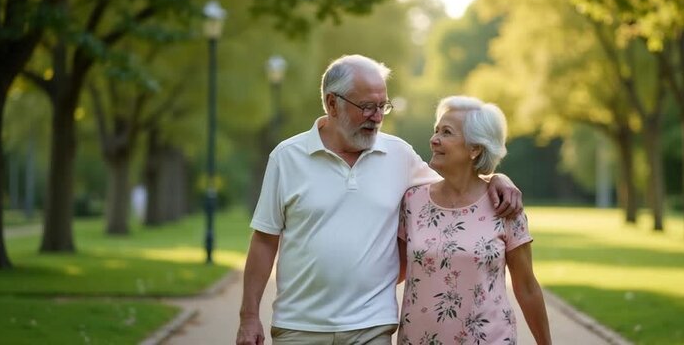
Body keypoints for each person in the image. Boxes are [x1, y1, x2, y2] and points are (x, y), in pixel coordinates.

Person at [236, 55, 523, 345]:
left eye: (382, 106)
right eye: (366, 107)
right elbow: (264, 240)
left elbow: (460, 184)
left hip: (373, 327)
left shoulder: (399, 155)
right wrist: (249, 317)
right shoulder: (287, 157)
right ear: (332, 103)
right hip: (298, 327)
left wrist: (496, 178)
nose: (376, 116)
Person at [397, 96, 551, 345]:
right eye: (436, 130)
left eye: (446, 132)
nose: (434, 140)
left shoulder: (505, 205)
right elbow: (394, 271)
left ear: (475, 148)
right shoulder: (412, 202)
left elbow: (526, 287)